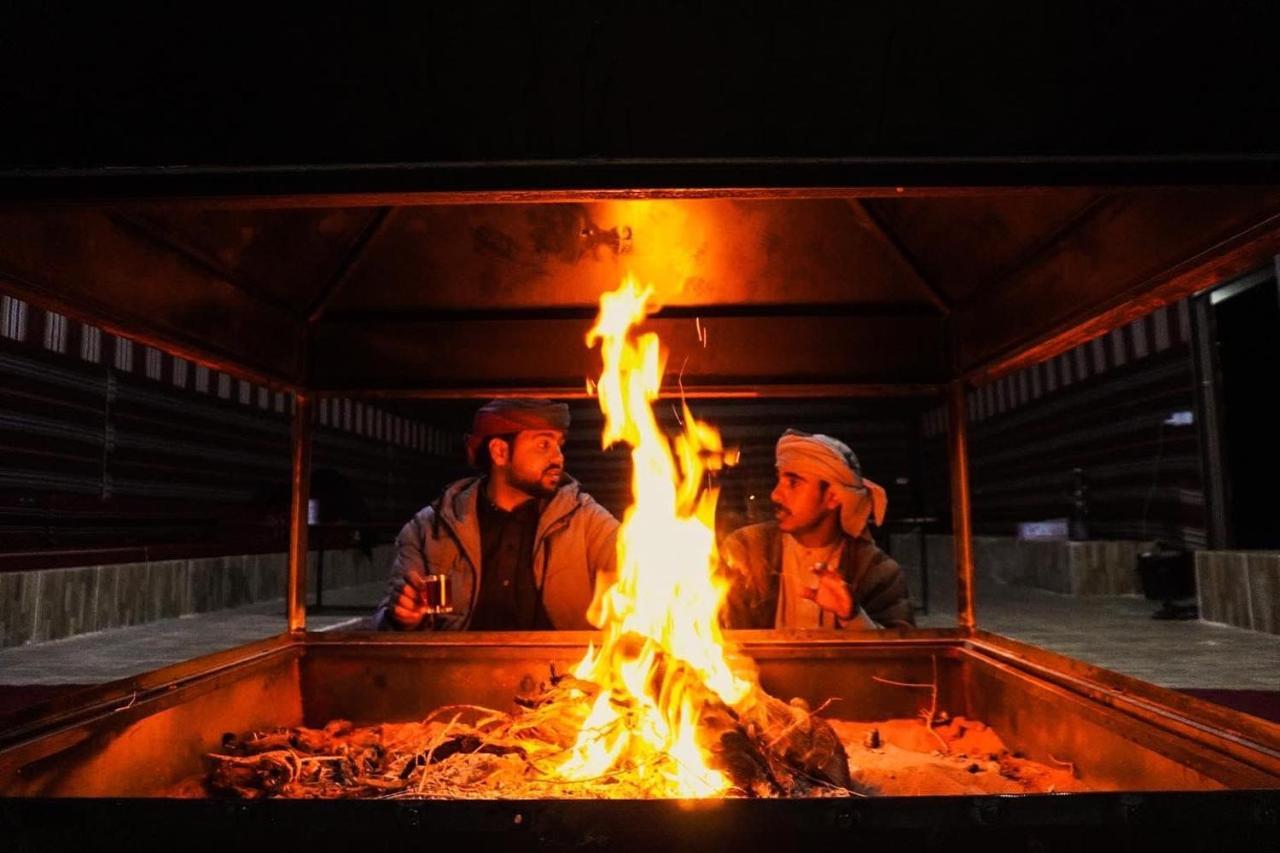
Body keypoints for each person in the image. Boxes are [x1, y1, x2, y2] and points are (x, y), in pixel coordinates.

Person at [374, 398, 619, 631]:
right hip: (456, 672)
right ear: (500, 452)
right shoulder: (428, 529)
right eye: (544, 444)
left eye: (559, 445)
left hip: (563, 673)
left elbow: (637, 571)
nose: (558, 457)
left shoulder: (586, 520)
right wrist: (402, 618)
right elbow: (383, 628)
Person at [720, 429, 914, 630]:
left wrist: (853, 616)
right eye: (779, 479)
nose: (775, 495)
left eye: (793, 483)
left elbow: (902, 654)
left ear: (832, 497)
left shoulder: (877, 571)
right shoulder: (747, 551)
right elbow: (713, 637)